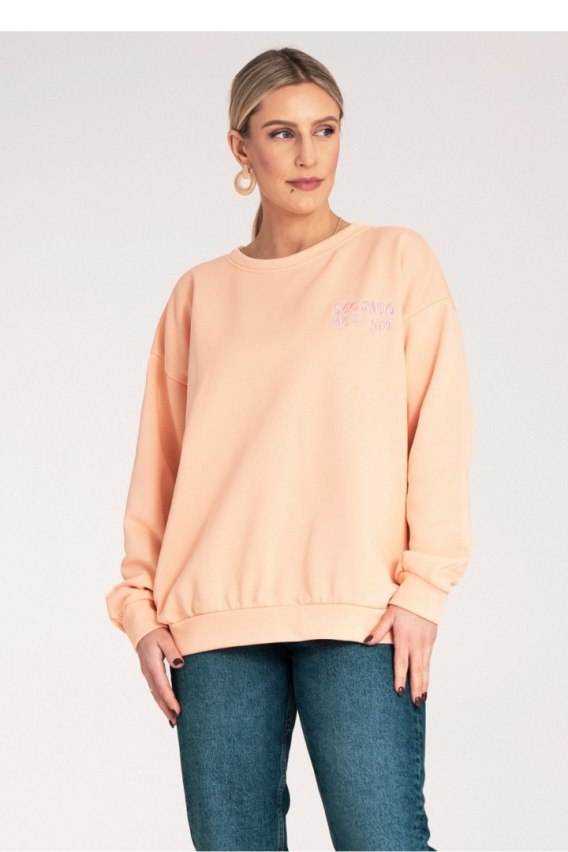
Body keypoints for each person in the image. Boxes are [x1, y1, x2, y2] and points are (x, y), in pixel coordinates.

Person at [105, 46, 473, 852]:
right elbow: (160, 465)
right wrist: (138, 611)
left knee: (384, 839)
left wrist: (423, 591)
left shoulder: (395, 261)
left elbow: (440, 429)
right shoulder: (199, 294)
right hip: (212, 625)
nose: (308, 154)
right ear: (240, 148)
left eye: (325, 129)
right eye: (282, 133)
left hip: (361, 617)